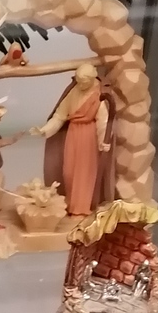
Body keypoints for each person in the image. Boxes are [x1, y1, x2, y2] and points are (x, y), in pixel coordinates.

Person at [34, 62, 114, 216]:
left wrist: (103, 141)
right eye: (79, 81)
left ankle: (81, 208)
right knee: (69, 171)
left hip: (88, 136)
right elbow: (60, 115)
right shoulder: (74, 92)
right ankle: (72, 203)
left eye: (84, 82)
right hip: (72, 133)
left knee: (84, 172)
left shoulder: (99, 95)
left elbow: (103, 121)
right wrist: (45, 130)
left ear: (92, 79)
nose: (81, 85)